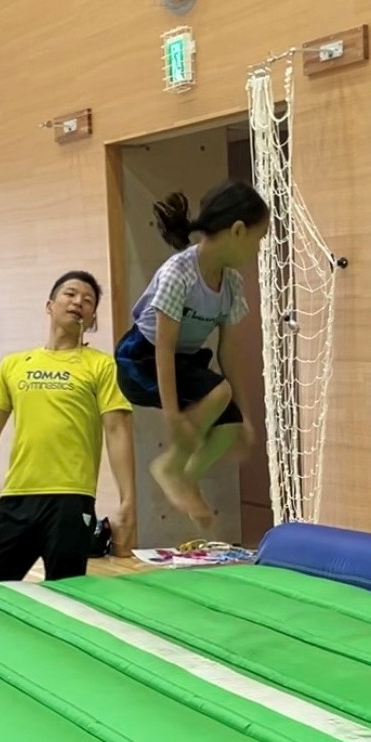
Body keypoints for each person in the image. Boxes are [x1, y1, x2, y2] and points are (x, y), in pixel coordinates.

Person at [0, 270, 135, 585]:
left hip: (71, 501)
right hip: (17, 497)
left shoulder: (102, 365)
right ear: (49, 305)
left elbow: (117, 432)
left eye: (88, 300)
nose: (78, 302)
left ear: (92, 318)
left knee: (66, 598)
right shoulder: (13, 364)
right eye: (70, 293)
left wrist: (128, 500)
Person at [114, 180, 269, 526]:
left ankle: (187, 475)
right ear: (238, 231)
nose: (258, 249)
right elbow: (164, 347)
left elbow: (228, 350)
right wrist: (173, 417)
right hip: (140, 360)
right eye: (259, 238)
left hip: (180, 361)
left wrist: (244, 415)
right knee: (218, 392)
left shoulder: (232, 283)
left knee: (228, 424)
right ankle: (169, 467)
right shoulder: (178, 273)